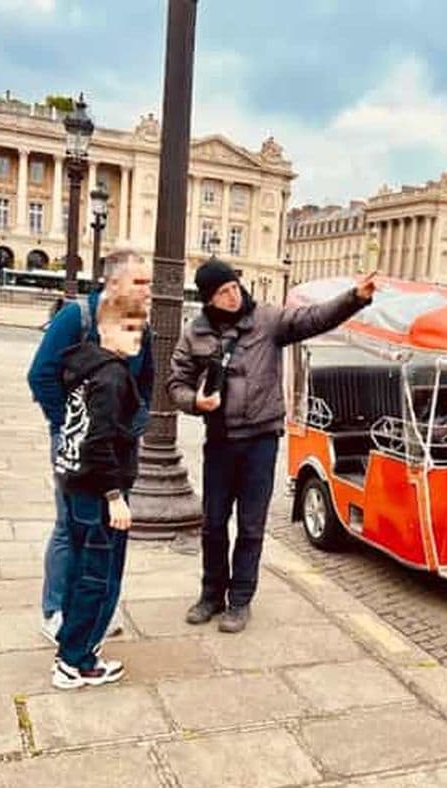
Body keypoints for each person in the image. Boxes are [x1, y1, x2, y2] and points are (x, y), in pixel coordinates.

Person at [168, 259, 376, 632]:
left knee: (251, 526)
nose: (232, 296)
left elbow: (313, 319)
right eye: (222, 293)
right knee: (214, 524)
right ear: (209, 299)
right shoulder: (194, 332)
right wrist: (194, 402)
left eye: (233, 287)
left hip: (260, 440)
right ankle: (211, 594)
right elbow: (175, 383)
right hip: (220, 440)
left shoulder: (266, 320)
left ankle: (240, 601)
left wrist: (354, 299)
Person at [27, 250, 153, 644]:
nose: (148, 290)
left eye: (149, 282)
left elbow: (144, 379)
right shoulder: (76, 317)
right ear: (113, 283)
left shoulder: (138, 323)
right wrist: (69, 424)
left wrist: (137, 418)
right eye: (140, 282)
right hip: (79, 440)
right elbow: (40, 375)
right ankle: (56, 609)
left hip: (116, 448)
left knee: (109, 526)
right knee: (70, 525)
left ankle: (96, 605)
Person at [51, 294, 147, 689]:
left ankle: (68, 647)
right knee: (98, 578)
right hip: (97, 491)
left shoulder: (83, 366)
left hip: (74, 484)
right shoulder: (111, 376)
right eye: (128, 328)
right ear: (106, 330)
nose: (137, 336)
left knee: (80, 572)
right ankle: (77, 662)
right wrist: (114, 496)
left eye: (140, 328)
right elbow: (99, 441)